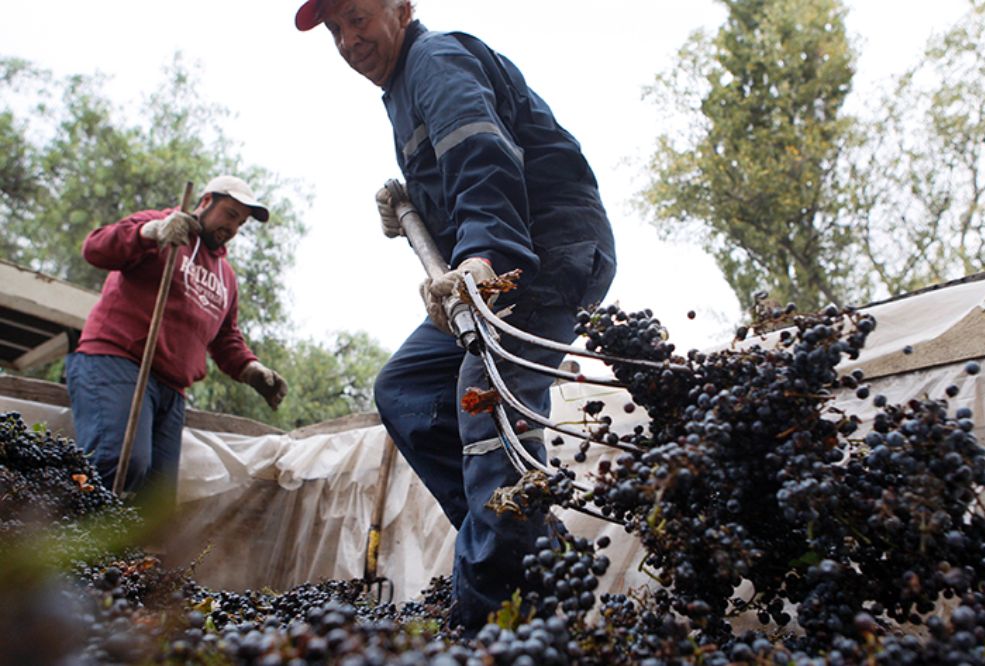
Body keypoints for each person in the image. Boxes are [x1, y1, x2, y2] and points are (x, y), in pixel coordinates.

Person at [295, 0, 616, 632]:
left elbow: (483, 156)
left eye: (358, 17)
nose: (347, 40)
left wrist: (481, 254)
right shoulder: (401, 87)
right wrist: (419, 205)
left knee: (485, 397)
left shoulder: (434, 58)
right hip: (505, 249)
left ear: (402, 7)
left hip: (543, 248)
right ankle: (537, 556)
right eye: (335, 30)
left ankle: (497, 622)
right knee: (409, 389)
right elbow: (457, 169)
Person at [65, 175, 289, 503]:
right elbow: (95, 248)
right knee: (119, 463)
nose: (234, 227)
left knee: (154, 504)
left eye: (241, 222)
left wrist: (252, 369)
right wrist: (150, 233)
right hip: (118, 364)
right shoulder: (162, 226)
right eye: (230, 214)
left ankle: (122, 556)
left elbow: (226, 338)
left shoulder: (226, 277)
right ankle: (67, 549)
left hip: (171, 390)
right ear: (205, 202)